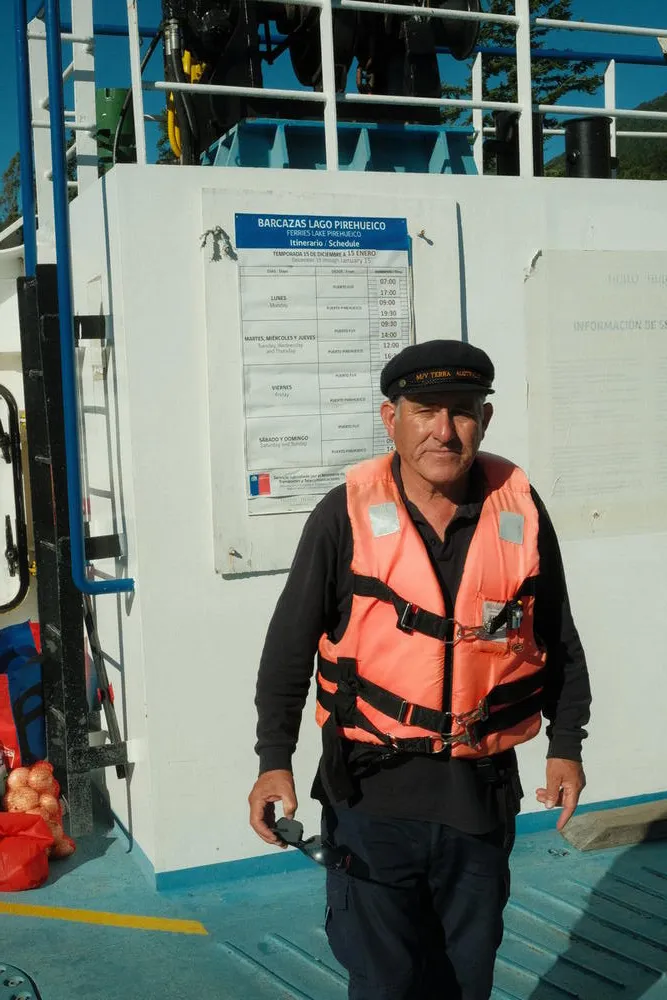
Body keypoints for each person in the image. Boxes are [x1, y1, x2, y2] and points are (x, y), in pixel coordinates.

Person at [249, 339, 592, 1000]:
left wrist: (565, 746)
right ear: (390, 419)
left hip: (480, 796)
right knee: (384, 981)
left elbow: (558, 639)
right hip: (370, 801)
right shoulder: (340, 518)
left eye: (461, 412)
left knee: (466, 978)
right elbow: (287, 650)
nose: (443, 430)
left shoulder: (519, 512)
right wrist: (272, 760)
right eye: (425, 411)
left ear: (483, 421)